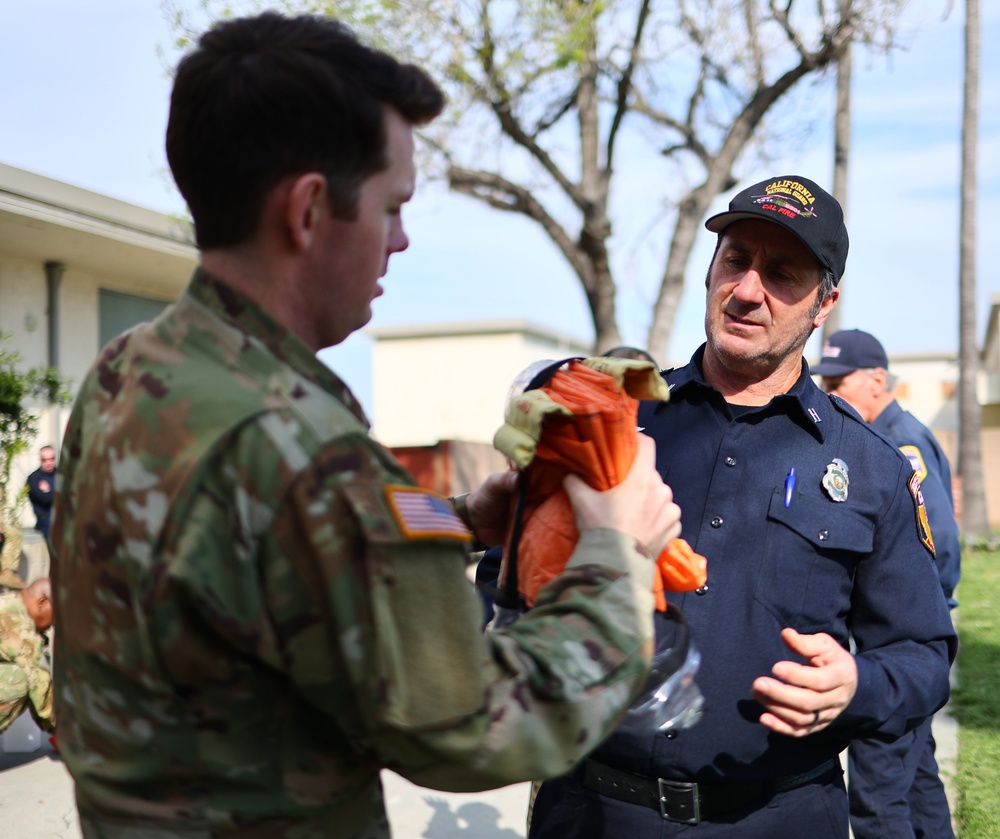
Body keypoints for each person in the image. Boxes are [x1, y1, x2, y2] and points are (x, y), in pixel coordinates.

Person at [49, 12, 683, 839]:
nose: (403, 240)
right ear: (309, 210)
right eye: (392, 206)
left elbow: (256, 560)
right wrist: (616, 555)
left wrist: (454, 522)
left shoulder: (132, 366)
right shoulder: (301, 446)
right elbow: (477, 723)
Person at [528, 175, 958, 838]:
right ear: (710, 270)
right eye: (736, 260)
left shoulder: (872, 466)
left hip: (779, 817)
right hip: (593, 810)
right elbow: (509, 573)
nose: (748, 290)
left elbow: (922, 653)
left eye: (782, 273)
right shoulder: (615, 423)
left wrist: (858, 684)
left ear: (824, 303)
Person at [814, 328, 959, 839]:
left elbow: (935, 543)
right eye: (823, 379)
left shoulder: (900, 443)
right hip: (906, 639)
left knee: (878, 792)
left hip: (905, 640)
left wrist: (912, 625)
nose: (828, 390)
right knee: (917, 775)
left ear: (877, 379)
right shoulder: (879, 434)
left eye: (839, 379)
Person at [0, 578, 54, 735]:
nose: (53, 623)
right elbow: (39, 683)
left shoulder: (9, 602)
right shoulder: (20, 626)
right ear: (42, 602)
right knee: (19, 679)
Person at [26, 445, 56, 539]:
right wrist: (56, 492)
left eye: (51, 459)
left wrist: (49, 491)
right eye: (45, 460)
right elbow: (45, 500)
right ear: (40, 460)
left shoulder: (60, 475)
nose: (48, 463)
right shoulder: (34, 478)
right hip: (45, 520)